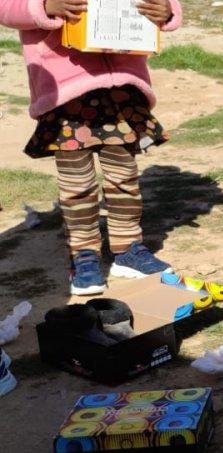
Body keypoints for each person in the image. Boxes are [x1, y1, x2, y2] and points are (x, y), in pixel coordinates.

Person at [0, 0, 182, 295]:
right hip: (66, 90)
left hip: (123, 88)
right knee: (77, 184)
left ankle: (128, 249)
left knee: (123, 175)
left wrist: (169, 11)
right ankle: (84, 255)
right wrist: (45, 6)